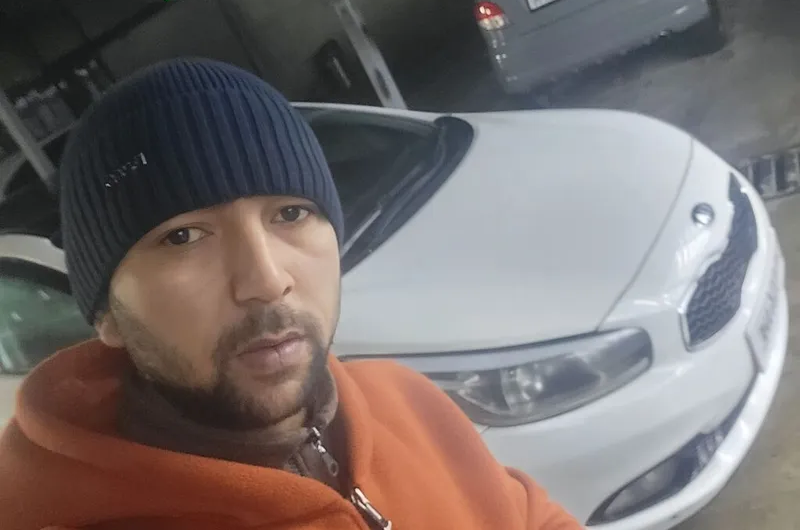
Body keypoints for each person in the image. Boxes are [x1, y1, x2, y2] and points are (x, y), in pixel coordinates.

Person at [0, 59, 583, 530]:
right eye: (183, 237)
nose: (266, 279)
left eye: (290, 213)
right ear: (108, 314)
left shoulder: (406, 402)